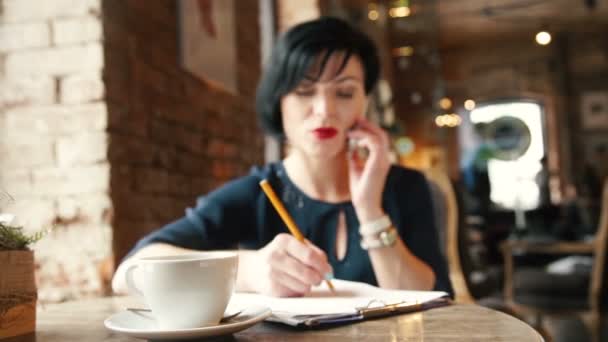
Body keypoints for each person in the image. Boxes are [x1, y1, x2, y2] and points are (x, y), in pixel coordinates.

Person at [112, 17, 452, 297]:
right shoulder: (257, 192)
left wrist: (370, 211)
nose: (324, 110)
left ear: (365, 101)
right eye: (304, 91)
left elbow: (432, 299)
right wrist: (246, 270)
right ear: (279, 102)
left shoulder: (405, 187)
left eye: (344, 92)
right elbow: (129, 271)